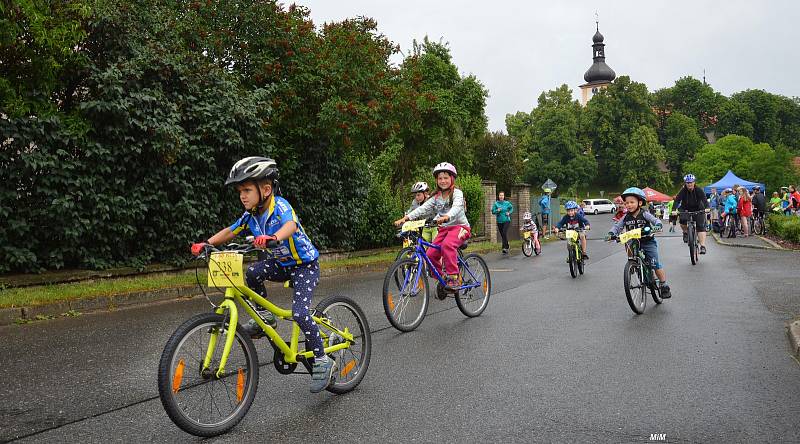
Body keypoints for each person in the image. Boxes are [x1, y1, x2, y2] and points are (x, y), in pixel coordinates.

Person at [190, 157, 335, 393]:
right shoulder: (250, 216)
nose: (242, 196)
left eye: (247, 190)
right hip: (281, 264)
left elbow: (291, 226)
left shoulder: (280, 206)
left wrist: (274, 237)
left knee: (299, 312)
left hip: (304, 265)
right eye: (240, 191)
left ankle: (322, 361)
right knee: (253, 273)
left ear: (266, 189)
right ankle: (266, 316)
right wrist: (206, 243)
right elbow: (231, 230)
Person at [395, 162, 470, 291]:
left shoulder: (457, 193)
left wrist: (447, 216)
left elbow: (457, 207)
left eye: (446, 177)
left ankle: (453, 278)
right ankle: (443, 279)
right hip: (444, 229)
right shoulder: (436, 197)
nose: (443, 181)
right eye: (440, 178)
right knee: (430, 254)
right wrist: (406, 218)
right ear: (436, 180)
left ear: (452, 178)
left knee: (447, 245)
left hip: (460, 227)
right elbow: (422, 209)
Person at [605, 187, 672, 299]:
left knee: (654, 263)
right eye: (626, 203)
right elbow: (617, 227)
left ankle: (663, 284)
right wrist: (611, 233)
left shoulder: (644, 214)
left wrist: (658, 225)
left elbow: (656, 221)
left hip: (647, 241)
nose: (629, 205)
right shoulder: (625, 217)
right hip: (633, 241)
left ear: (640, 202)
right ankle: (633, 265)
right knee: (628, 246)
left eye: (632, 202)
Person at [672, 174, 710, 254]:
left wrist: (707, 208)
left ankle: (702, 246)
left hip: (698, 208)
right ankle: (685, 232)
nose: (689, 184)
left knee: (701, 227)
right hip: (685, 208)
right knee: (682, 220)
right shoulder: (683, 191)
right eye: (687, 183)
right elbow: (677, 200)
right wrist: (674, 210)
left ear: (694, 182)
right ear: (685, 183)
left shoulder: (699, 190)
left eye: (691, 182)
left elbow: (704, 199)